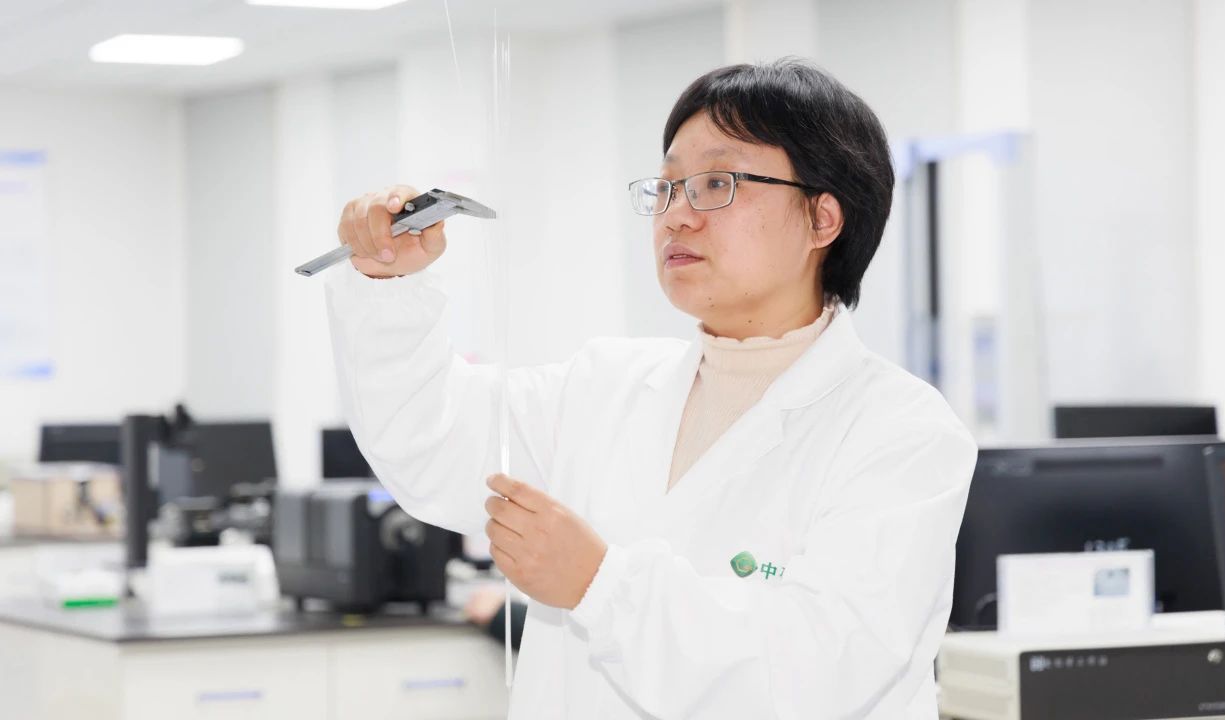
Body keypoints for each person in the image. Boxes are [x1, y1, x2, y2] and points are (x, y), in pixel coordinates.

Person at [325, 58, 977, 719]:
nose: (676, 216)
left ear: (822, 218)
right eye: (667, 188)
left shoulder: (901, 432)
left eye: (717, 183)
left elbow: (819, 671)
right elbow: (427, 441)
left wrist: (600, 585)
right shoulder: (602, 388)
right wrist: (387, 282)